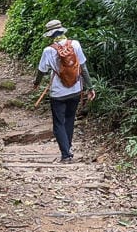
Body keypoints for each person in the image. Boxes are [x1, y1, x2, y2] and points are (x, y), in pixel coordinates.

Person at [35, 19, 96, 163]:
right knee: (69, 119)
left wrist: (36, 83)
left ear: (50, 35)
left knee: (58, 123)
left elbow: (41, 71)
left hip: (58, 93)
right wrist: (90, 87)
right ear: (62, 31)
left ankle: (66, 154)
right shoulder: (75, 44)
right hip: (75, 90)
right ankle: (68, 149)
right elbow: (83, 68)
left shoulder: (48, 50)